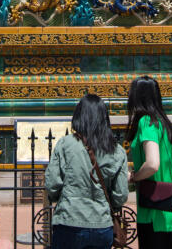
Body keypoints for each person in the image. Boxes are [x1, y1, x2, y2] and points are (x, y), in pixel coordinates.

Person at [45, 93, 128, 249]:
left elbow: (52, 184)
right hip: (101, 223)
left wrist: (62, 198)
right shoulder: (117, 151)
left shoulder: (65, 144)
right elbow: (121, 194)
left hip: (69, 220)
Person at [126, 76, 172, 249]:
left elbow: (152, 164)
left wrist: (134, 177)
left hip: (155, 206)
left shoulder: (146, 122)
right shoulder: (164, 122)